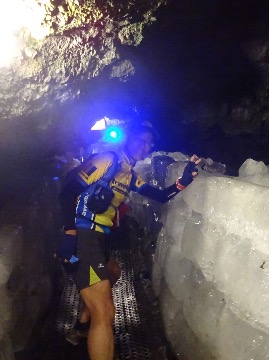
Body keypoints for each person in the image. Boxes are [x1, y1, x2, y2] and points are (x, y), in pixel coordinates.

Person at [59, 122, 200, 360]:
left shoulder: (129, 175)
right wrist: (69, 235)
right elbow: (68, 190)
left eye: (150, 143)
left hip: (96, 239)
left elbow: (160, 196)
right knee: (105, 312)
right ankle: (88, 326)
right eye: (142, 140)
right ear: (128, 139)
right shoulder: (108, 160)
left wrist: (184, 180)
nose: (146, 146)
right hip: (83, 237)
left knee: (113, 271)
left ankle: (82, 325)